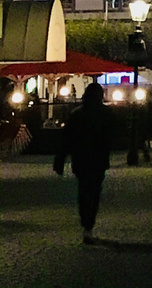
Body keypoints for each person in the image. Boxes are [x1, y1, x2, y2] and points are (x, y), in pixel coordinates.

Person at [53, 82, 114, 243]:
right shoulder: (106, 114)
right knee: (94, 191)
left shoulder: (77, 114)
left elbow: (66, 140)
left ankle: (86, 221)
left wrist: (60, 160)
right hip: (98, 159)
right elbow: (114, 135)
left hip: (81, 159)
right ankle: (89, 223)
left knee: (84, 190)